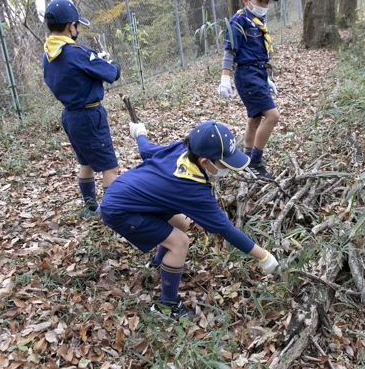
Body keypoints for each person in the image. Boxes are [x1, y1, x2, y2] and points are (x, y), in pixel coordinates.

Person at [100, 121, 280, 320]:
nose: (228, 169)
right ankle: (167, 306)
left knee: (182, 223)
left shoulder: (182, 149)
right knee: (179, 243)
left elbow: (147, 149)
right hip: (121, 211)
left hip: (129, 195)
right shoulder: (193, 190)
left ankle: (158, 263)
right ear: (205, 162)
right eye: (224, 164)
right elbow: (226, 229)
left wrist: (140, 133)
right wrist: (264, 257)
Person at [42, 0, 121, 218]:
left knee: (85, 163)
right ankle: (113, 214)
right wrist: (113, 64)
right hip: (89, 115)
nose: (77, 29)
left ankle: (91, 208)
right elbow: (111, 74)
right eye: (77, 25)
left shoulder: (48, 55)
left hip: (69, 116)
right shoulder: (77, 52)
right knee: (109, 167)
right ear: (70, 26)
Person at [218, 0, 280, 180]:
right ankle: (255, 161)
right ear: (246, 0)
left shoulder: (259, 22)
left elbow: (258, 53)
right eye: (259, 0)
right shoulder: (239, 22)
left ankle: (246, 159)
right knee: (272, 116)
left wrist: (267, 78)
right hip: (247, 76)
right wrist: (224, 78)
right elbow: (230, 52)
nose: (263, 5)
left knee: (254, 120)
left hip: (259, 74)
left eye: (266, 2)